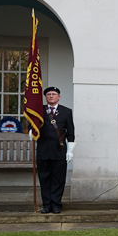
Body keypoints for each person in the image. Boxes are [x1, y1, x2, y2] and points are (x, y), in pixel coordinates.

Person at [37, 86, 75, 214]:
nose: (51, 96)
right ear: (45, 97)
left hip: (59, 149)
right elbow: (33, 126)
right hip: (43, 149)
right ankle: (46, 205)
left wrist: (70, 150)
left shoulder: (66, 112)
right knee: (44, 178)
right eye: (48, 94)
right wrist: (31, 132)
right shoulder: (38, 110)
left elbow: (71, 132)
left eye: (54, 94)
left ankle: (56, 204)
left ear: (58, 96)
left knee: (58, 179)